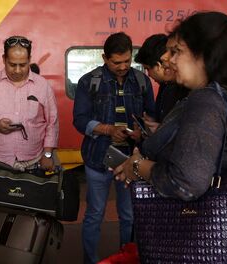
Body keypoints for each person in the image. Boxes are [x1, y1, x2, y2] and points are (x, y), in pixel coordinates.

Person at [114, 9, 227, 254]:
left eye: (177, 52)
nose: (169, 60)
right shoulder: (225, 95)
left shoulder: (205, 101)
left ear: (205, 54)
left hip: (193, 240)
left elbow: (186, 182)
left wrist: (138, 166)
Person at [72, 32, 155, 264]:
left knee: (129, 216)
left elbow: (152, 117)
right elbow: (79, 120)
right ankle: (90, 260)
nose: (122, 66)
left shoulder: (141, 81)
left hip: (131, 159)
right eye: (116, 62)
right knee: (94, 215)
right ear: (104, 58)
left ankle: (126, 257)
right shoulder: (89, 82)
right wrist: (108, 130)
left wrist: (142, 132)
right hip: (97, 159)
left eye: (127, 61)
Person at [0, 36, 58, 175]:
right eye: (12, 65)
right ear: (4, 59)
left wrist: (48, 155)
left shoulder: (42, 86)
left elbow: (52, 122)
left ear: (29, 60)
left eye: (23, 65)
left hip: (34, 164)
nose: (18, 70)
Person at [134, 33, 188, 127]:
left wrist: (160, 130)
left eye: (174, 52)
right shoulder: (165, 87)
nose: (165, 57)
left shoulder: (196, 94)